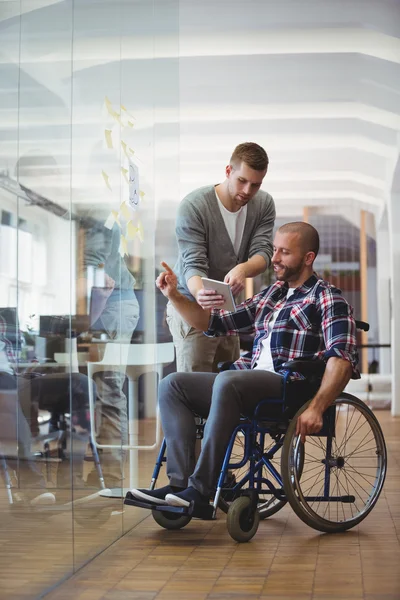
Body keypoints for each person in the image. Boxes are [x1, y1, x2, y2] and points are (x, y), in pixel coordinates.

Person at [129, 222, 359, 511]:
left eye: (284, 252)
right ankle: (180, 484)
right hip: (247, 383)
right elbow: (212, 323)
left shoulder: (327, 297)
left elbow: (343, 358)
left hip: (290, 386)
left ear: (308, 257)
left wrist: (317, 407)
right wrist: (173, 295)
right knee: (173, 384)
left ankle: (201, 491)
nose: (274, 258)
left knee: (229, 380)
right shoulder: (272, 295)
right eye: (274, 249)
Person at [169, 142, 275, 372]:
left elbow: (264, 252)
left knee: (229, 386)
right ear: (228, 171)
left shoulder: (264, 204)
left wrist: (243, 269)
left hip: (227, 311)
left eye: (255, 185)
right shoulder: (194, 206)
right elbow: (193, 263)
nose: (247, 191)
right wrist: (201, 294)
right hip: (192, 306)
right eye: (242, 181)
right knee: (195, 391)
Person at [0, 312, 94, 504]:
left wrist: (34, 365)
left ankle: (71, 480)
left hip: (24, 378)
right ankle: (32, 484)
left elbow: (27, 351)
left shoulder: (6, 316)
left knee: (81, 384)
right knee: (5, 384)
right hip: (3, 382)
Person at [79, 212, 140, 486]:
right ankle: (106, 472)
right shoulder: (91, 216)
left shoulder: (95, 216)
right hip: (110, 305)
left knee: (108, 390)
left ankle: (112, 477)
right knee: (99, 390)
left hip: (111, 306)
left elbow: (102, 280)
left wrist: (84, 324)